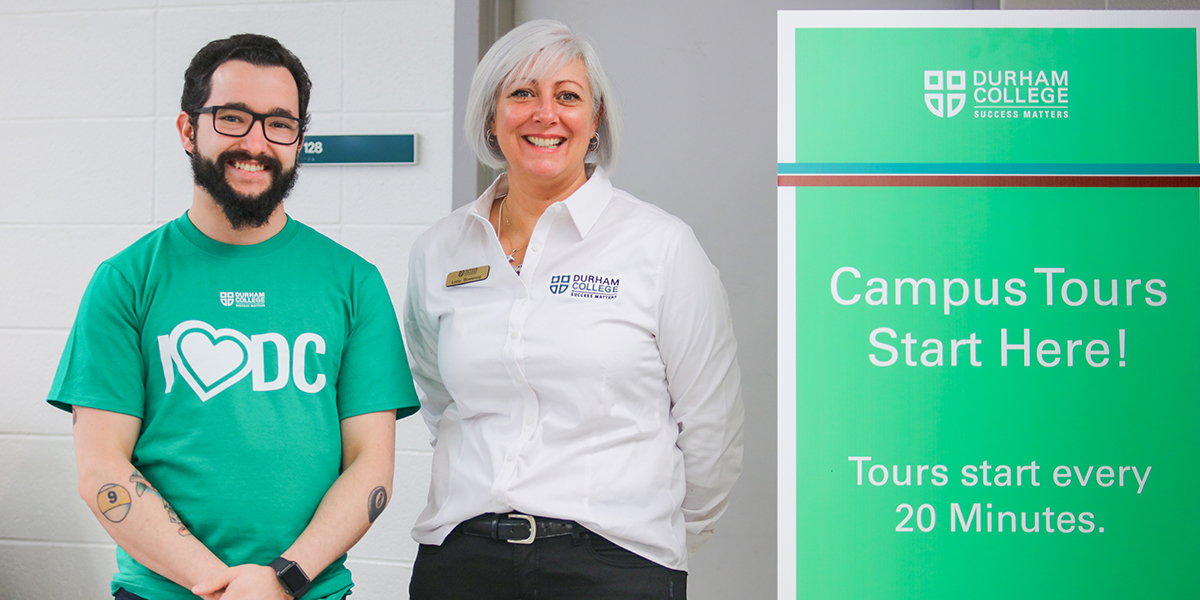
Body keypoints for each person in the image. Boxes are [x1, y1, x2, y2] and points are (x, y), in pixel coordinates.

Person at [47, 33, 419, 600]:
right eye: (233, 118)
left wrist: (284, 578)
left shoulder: (353, 282)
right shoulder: (126, 280)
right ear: (187, 129)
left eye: (280, 123)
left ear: (298, 139)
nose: (257, 142)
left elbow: (371, 465)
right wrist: (216, 583)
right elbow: (101, 468)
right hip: (161, 591)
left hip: (311, 589)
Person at [403, 19, 744, 600]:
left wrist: (650, 547)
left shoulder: (659, 246)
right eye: (521, 94)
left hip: (611, 566)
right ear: (491, 116)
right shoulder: (442, 248)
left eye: (567, 96)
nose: (545, 114)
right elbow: (440, 398)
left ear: (595, 120)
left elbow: (711, 426)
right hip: (462, 562)